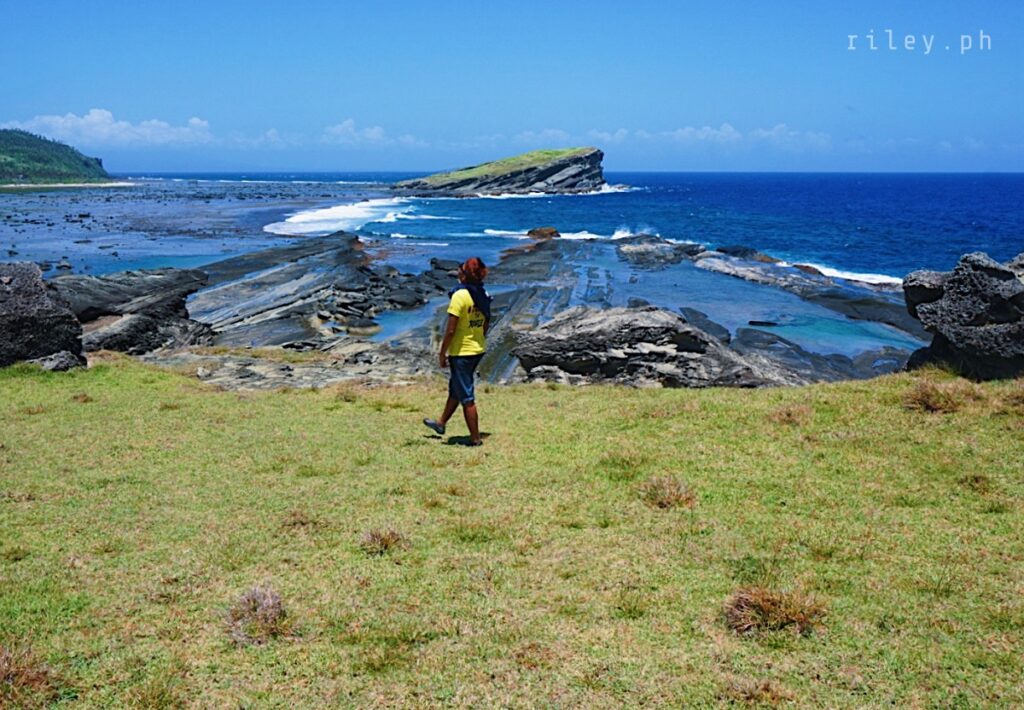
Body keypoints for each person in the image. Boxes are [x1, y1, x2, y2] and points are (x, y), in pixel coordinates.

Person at [423, 257, 491, 446]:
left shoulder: (460, 296)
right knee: (456, 389)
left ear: (465, 274)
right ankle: (440, 423)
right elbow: (487, 320)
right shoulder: (482, 293)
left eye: (460, 270)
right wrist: (479, 336)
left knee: (467, 396)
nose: (458, 273)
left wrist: (442, 353)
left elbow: (451, 330)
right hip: (477, 348)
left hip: (462, 352)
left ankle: (475, 439)